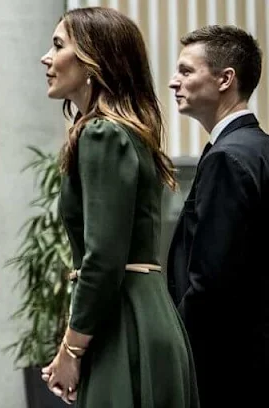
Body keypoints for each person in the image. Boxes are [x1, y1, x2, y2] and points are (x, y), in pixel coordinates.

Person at [38, 7, 199, 407]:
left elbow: (104, 258)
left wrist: (70, 351)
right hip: (141, 316)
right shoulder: (123, 132)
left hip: (124, 324)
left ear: (94, 61)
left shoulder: (101, 134)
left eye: (58, 45)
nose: (46, 57)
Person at [167, 25, 268, 407]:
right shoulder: (257, 148)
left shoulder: (228, 157)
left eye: (186, 71)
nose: (174, 82)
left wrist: (176, 356)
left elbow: (210, 283)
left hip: (224, 368)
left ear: (226, 79)